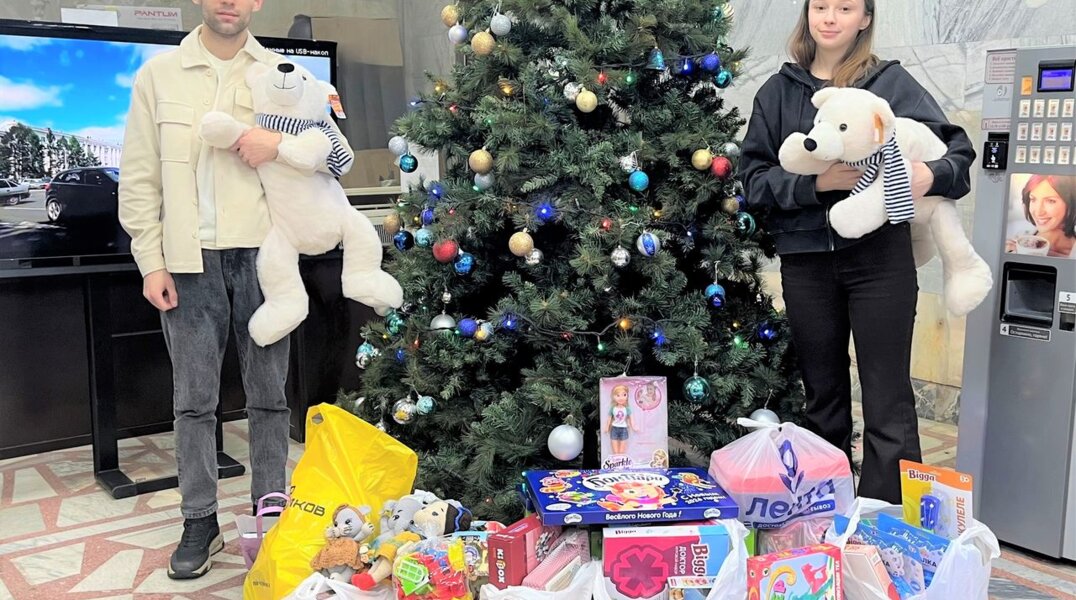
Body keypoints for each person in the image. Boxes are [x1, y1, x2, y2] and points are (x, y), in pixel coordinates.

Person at [119, 0, 353, 579]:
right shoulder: (158, 76)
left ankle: (269, 513)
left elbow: (331, 161)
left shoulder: (285, 76)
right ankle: (199, 518)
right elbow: (140, 175)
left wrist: (277, 148)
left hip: (265, 257)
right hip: (188, 260)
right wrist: (151, 261)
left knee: (270, 398)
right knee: (193, 401)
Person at [739, 0, 975, 503]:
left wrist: (929, 175)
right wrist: (815, 185)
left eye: (844, 7)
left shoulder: (890, 83)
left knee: (888, 402)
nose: (829, 17)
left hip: (881, 263)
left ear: (864, 18)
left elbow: (957, 154)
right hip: (806, 264)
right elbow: (753, 182)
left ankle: (887, 526)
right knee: (822, 399)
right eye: (819, 6)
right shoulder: (778, 92)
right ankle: (823, 516)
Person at [1006, 175, 1076, 258]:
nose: (1038, 212)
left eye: (1051, 201)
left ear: (1071, 203)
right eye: (1033, 199)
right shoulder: (1017, 241)